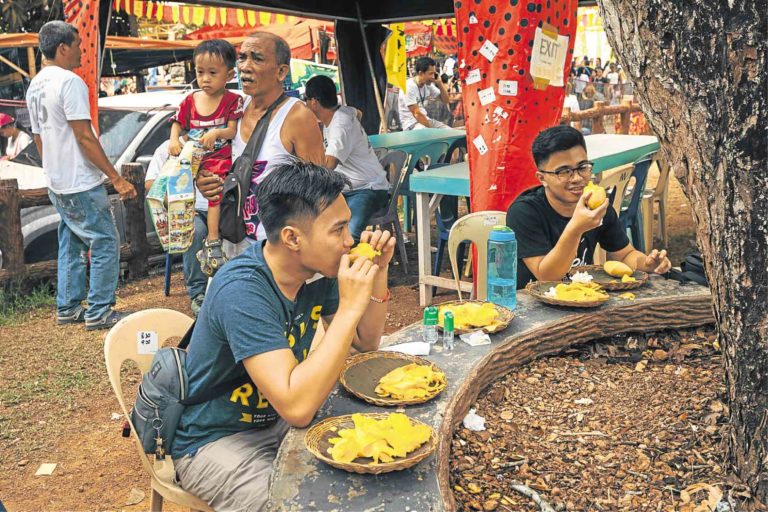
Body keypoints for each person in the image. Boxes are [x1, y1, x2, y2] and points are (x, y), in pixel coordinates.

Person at [172, 160, 396, 511]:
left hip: (276, 422)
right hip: (213, 438)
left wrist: (377, 273)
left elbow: (366, 342)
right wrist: (350, 308)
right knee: (294, 505)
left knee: (373, 466)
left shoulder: (318, 272)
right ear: (292, 237)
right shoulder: (243, 289)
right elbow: (298, 407)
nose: (350, 240)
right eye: (338, 230)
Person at [26, 21, 137, 330]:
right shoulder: (70, 82)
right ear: (63, 48)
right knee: (104, 240)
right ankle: (100, 311)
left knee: (72, 240)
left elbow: (39, 139)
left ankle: (68, 306)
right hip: (80, 180)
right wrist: (116, 177)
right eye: (77, 45)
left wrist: (54, 169)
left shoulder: (35, 84)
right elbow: (84, 137)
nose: (82, 51)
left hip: (57, 180)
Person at [195, 31, 325, 248]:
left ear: (281, 71)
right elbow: (216, 161)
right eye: (242, 57)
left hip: (277, 248)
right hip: (232, 238)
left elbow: (319, 190)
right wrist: (205, 180)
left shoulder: (297, 116)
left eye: (257, 58)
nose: (245, 66)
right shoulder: (233, 109)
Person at [506, 125, 671, 289]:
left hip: (583, 298)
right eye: (564, 172)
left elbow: (625, 254)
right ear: (542, 178)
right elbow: (547, 276)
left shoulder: (597, 206)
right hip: (534, 306)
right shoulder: (524, 212)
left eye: (582, 167)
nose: (577, 178)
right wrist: (576, 228)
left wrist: (646, 264)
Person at [169, 39, 244, 276]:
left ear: (230, 74)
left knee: (215, 193)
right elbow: (177, 123)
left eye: (213, 73)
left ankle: (212, 241)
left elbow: (231, 131)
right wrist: (174, 141)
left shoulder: (233, 100)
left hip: (219, 159)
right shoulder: (190, 100)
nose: (205, 79)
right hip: (193, 160)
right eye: (200, 72)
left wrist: (216, 132)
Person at [304, 75, 390, 242]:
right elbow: (358, 113)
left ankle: (348, 265)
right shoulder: (343, 111)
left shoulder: (339, 126)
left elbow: (329, 165)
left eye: (305, 99)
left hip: (368, 188)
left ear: (314, 102)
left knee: (349, 235)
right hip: (347, 189)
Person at [144, 140, 209, 315]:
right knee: (194, 231)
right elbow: (150, 183)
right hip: (187, 209)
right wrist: (175, 204)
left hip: (222, 205)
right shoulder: (167, 147)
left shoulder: (218, 140)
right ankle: (198, 293)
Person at [397, 56, 450, 130]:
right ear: (421, 73)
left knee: (450, 132)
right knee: (429, 133)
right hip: (411, 124)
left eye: (434, 74)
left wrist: (440, 83)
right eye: (431, 74)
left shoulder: (428, 85)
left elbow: (446, 100)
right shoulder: (408, 86)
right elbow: (417, 114)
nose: (433, 77)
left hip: (425, 120)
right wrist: (433, 131)